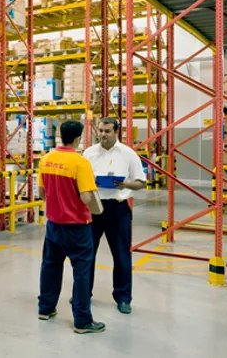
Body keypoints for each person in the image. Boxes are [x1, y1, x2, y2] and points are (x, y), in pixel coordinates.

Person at [37, 119, 105, 334]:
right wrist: (98, 210)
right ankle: (82, 320)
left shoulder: (46, 159)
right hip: (76, 226)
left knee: (50, 265)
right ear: (78, 138)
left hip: (53, 224)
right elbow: (87, 196)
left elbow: (41, 193)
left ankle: (45, 308)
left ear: (60, 135)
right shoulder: (80, 162)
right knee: (82, 272)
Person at [83, 117, 148, 315]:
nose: (103, 134)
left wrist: (124, 185)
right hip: (94, 208)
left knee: (121, 255)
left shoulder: (128, 154)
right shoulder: (89, 153)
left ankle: (123, 298)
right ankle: (84, 293)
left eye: (107, 131)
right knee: (87, 254)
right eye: (101, 131)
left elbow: (141, 182)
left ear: (116, 132)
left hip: (118, 210)